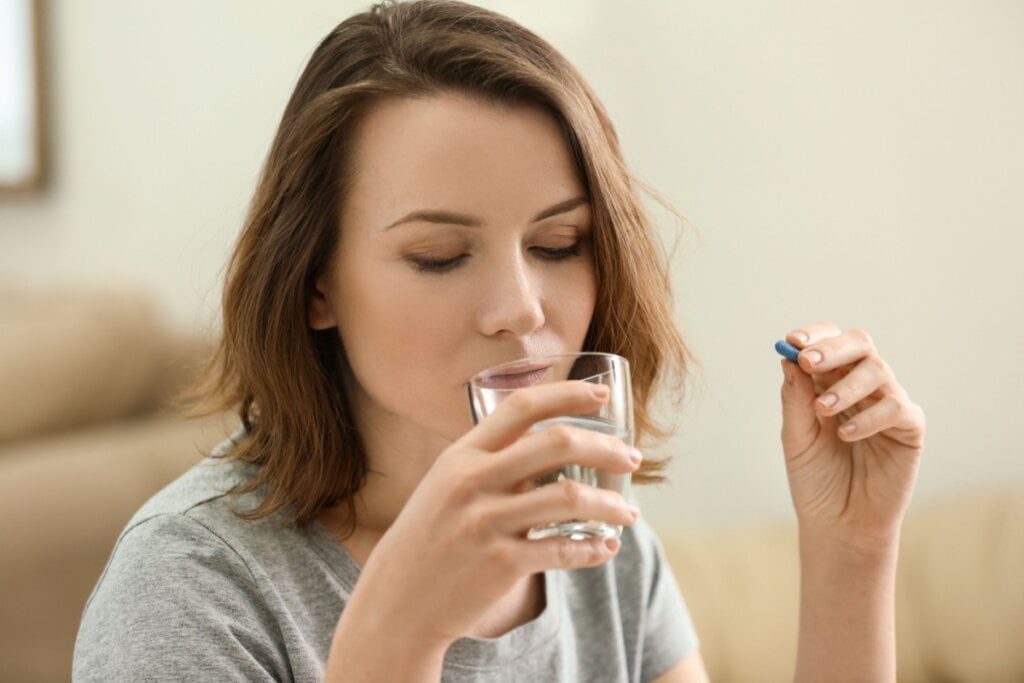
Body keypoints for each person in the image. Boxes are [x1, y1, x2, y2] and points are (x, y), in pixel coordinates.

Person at [73, 1, 926, 681]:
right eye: (439, 256)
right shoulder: (190, 587)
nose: (520, 309)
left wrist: (851, 546)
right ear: (316, 284)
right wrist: (395, 641)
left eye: (559, 245)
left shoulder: (598, 543)